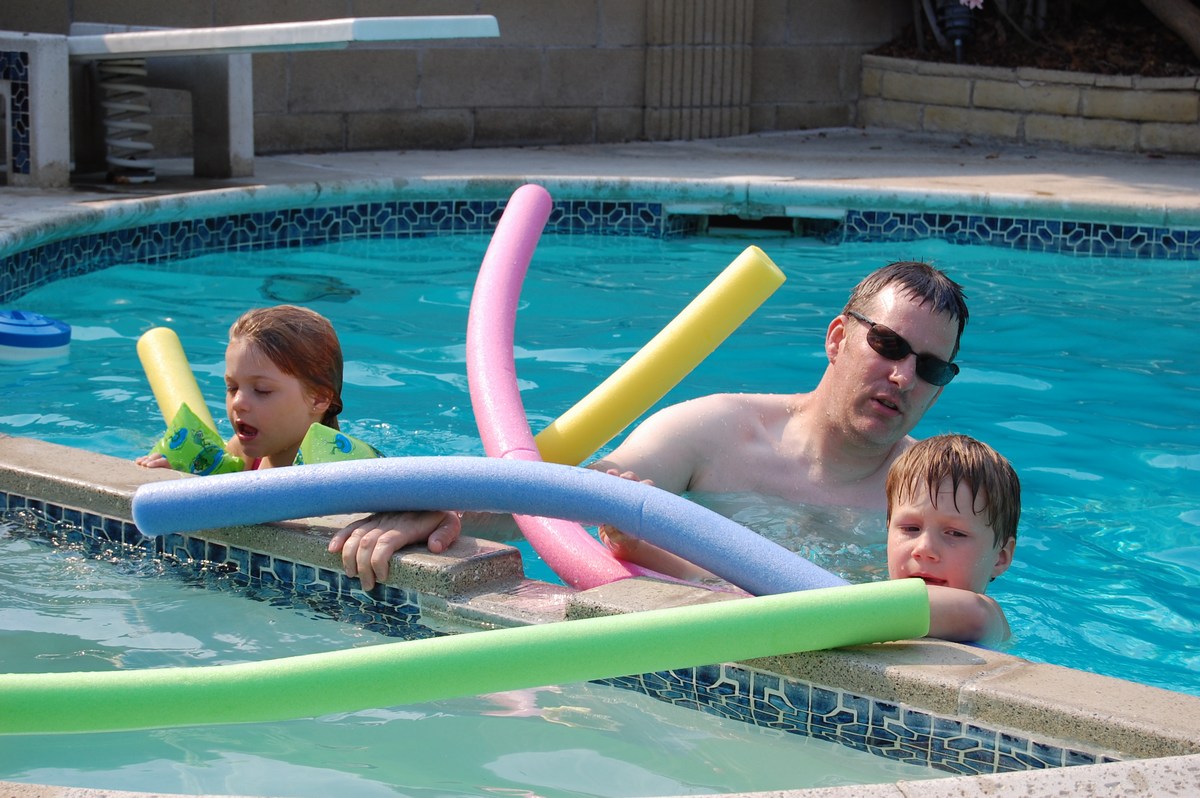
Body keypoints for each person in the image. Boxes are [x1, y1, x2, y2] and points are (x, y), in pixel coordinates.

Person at [329, 260, 970, 588]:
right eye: (888, 345)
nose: (903, 377)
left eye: (931, 367)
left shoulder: (932, 497)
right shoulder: (713, 432)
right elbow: (574, 497)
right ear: (837, 337)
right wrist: (444, 510)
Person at [136, 305, 460, 578]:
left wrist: (434, 512)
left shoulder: (342, 468)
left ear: (318, 398)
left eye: (262, 390)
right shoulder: (243, 455)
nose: (239, 403)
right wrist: (179, 471)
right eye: (232, 387)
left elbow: (430, 489)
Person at [604, 433, 1019, 645]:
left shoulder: (982, 616)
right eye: (909, 529)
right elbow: (731, 583)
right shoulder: (855, 594)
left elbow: (805, 602)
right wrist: (642, 547)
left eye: (955, 534)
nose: (924, 549)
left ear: (1001, 558)